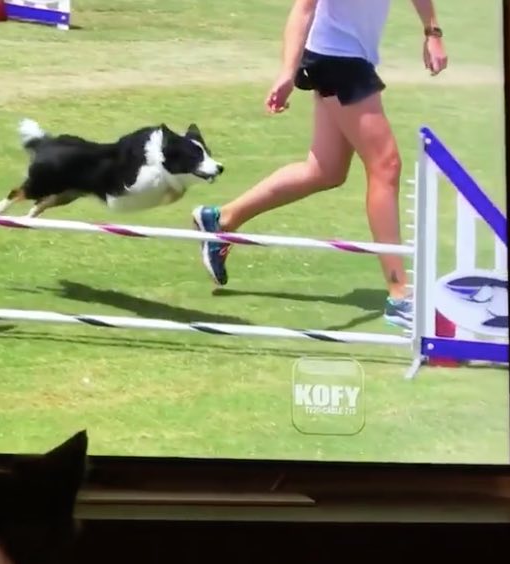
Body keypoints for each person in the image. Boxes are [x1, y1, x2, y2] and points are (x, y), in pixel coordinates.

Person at [191, 0, 448, 329]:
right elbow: (303, 9)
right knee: (386, 166)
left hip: (350, 57)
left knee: (324, 170)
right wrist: (286, 73)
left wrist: (432, 32)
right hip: (334, 56)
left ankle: (221, 219)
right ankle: (399, 295)